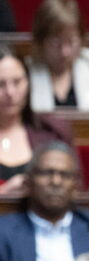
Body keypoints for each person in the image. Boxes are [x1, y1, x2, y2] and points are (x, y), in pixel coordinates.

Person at [0, 45, 72, 194]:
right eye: (1, 84)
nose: (10, 92)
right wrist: (4, 192)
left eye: (17, 82)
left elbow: (74, 187)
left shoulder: (54, 131)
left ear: (28, 82)